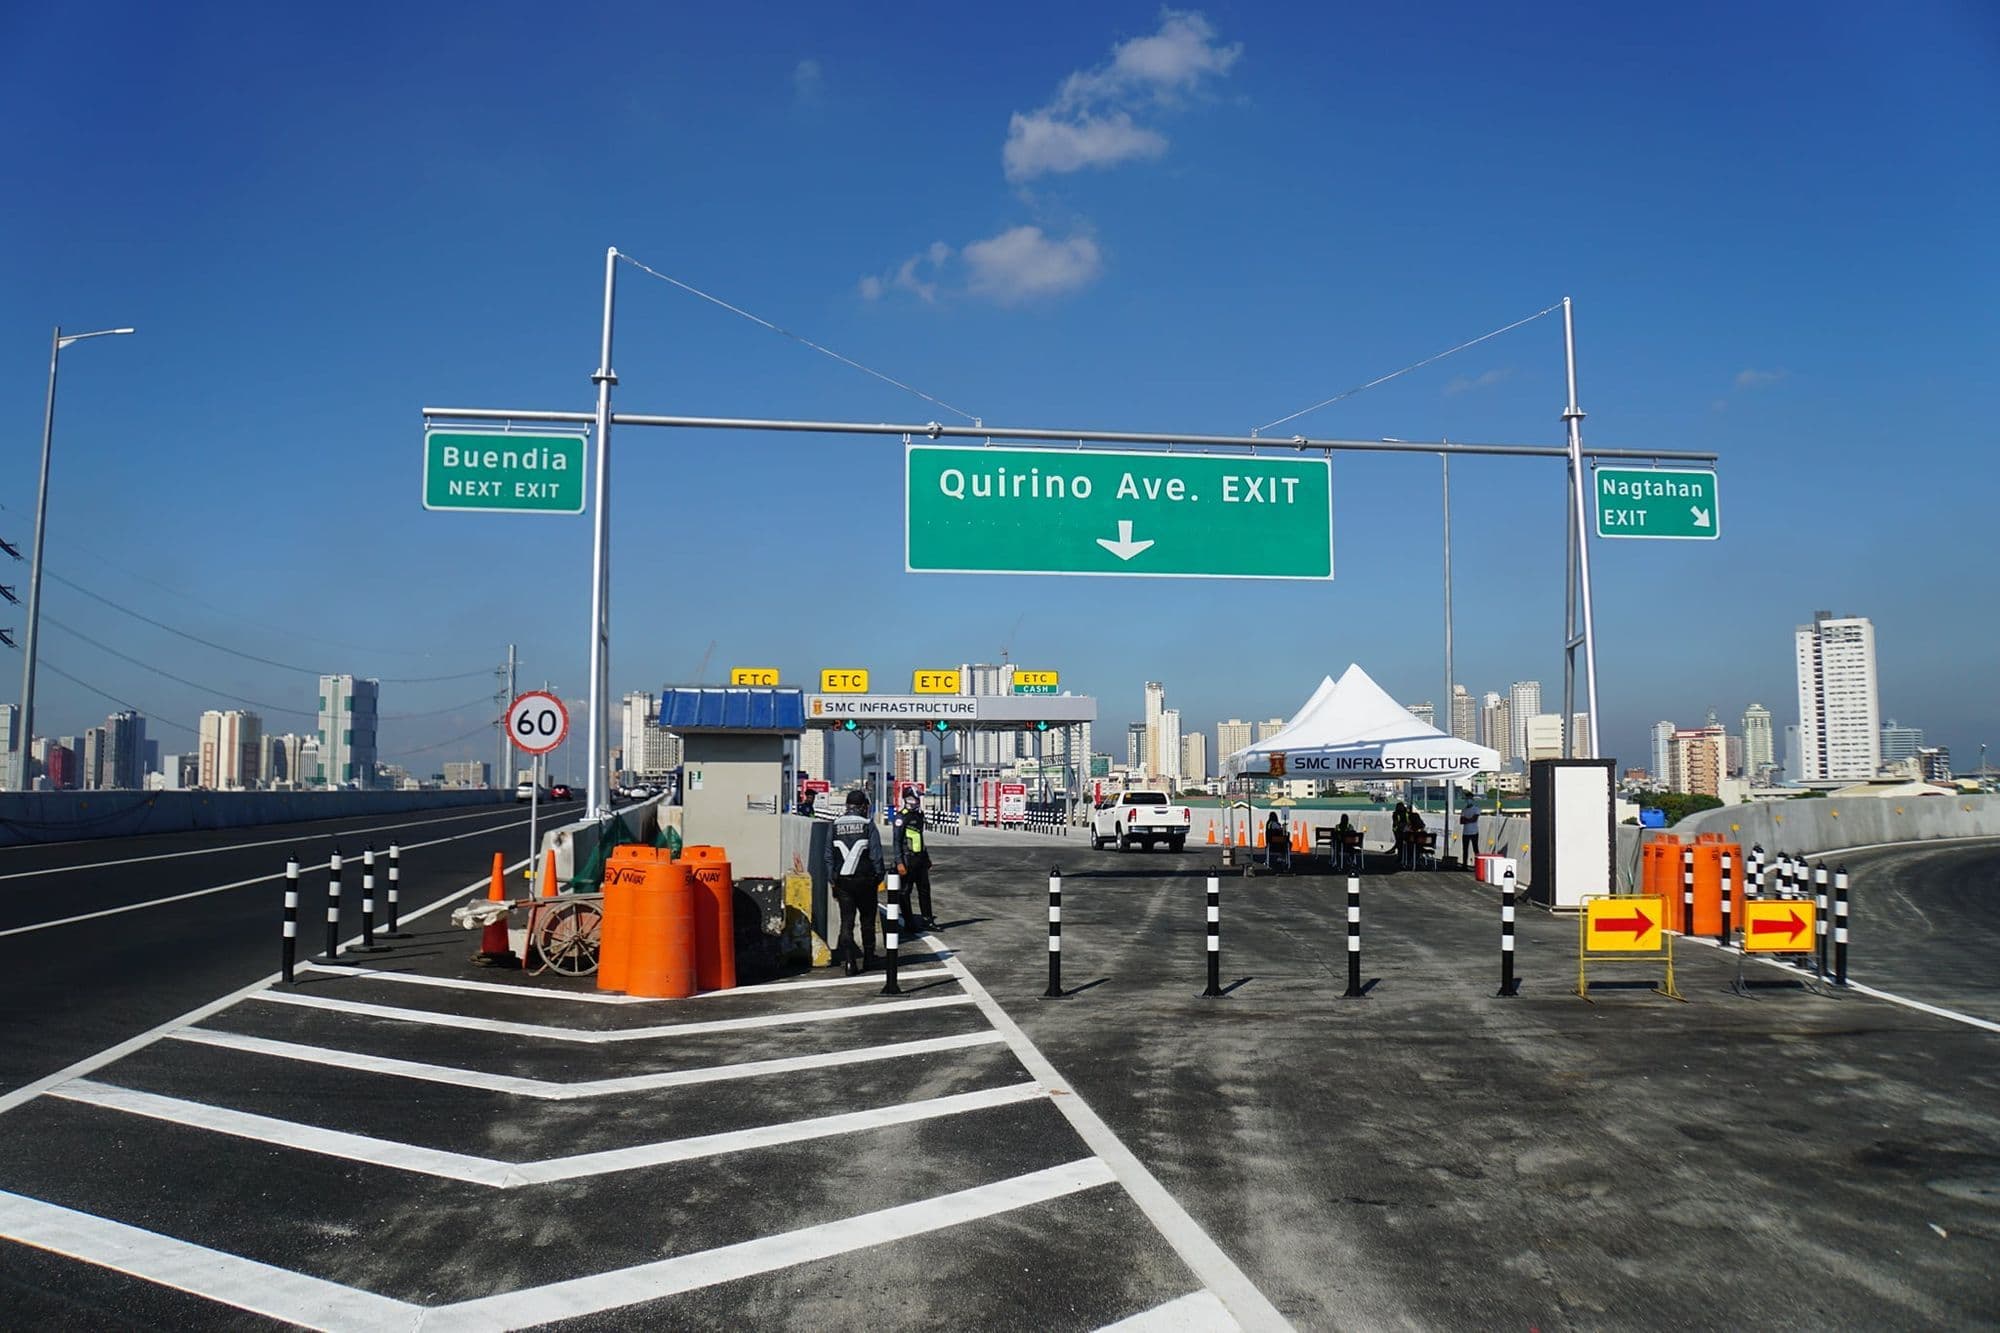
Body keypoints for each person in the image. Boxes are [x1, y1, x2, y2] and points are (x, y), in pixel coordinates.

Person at [825, 789, 884, 975]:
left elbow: (828, 856)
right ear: (862, 806)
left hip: (843, 882)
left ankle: (850, 962)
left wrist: (832, 879)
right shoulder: (868, 824)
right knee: (867, 921)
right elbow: (876, 855)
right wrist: (879, 876)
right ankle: (868, 958)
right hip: (866, 879)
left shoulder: (834, 826)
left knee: (846, 921)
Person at [895, 791, 935, 931]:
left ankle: (927, 920)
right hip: (907, 858)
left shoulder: (919, 815)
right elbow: (897, 841)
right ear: (908, 799)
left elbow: (920, 838)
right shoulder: (901, 817)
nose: (918, 801)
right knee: (905, 891)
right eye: (916, 798)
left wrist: (927, 858)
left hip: (920, 858)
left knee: (924, 890)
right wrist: (899, 861)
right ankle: (909, 922)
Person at [1458, 793, 1481, 868]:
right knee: (1465, 849)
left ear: (1472, 799)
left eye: (1469, 798)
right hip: (1465, 832)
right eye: (1467, 799)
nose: (1468, 800)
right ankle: (1464, 865)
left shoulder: (1476, 809)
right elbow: (1461, 821)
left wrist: (1466, 820)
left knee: (1475, 848)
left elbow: (1474, 819)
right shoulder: (1464, 810)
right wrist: (1469, 819)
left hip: (1474, 832)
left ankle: (1478, 865)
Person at [1391, 801, 1411, 866]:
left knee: (1400, 844)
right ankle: (1401, 857)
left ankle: (1400, 857)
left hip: (1403, 830)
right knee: (1400, 843)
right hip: (1398, 830)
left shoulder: (1404, 813)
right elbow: (1396, 822)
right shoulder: (1398, 814)